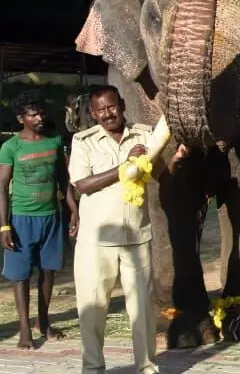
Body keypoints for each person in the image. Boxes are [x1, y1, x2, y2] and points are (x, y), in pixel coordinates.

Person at [70, 85, 187, 374]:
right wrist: (125, 166)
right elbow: (82, 185)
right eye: (101, 110)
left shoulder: (145, 135)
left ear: (122, 104)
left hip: (137, 237)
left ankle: (146, 366)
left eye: (112, 107)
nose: (108, 114)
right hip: (96, 242)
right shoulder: (83, 141)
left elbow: (160, 177)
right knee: (93, 311)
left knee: (142, 312)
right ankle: (93, 368)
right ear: (92, 114)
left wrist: (175, 163)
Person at [0, 90, 78, 349]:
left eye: (42, 112)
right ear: (22, 118)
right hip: (21, 220)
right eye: (34, 114)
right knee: (20, 276)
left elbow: (63, 179)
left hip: (51, 217)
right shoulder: (11, 147)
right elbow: (2, 187)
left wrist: (73, 209)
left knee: (48, 271)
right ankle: (25, 331)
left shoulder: (54, 140)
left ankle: (43, 324)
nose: (40, 117)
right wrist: (4, 226)